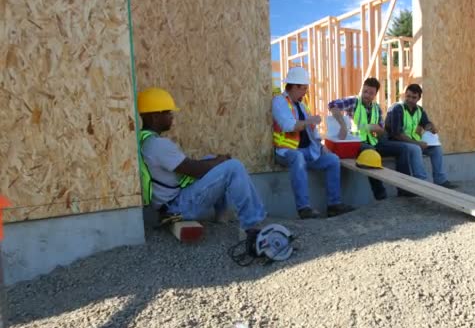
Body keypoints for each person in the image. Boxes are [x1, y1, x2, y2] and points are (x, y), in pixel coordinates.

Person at [137, 87, 268, 249]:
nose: (172, 116)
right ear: (155, 116)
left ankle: (221, 216)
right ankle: (252, 226)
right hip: (178, 206)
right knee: (234, 167)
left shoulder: (145, 140)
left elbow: (191, 167)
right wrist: (220, 161)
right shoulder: (158, 145)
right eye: (168, 113)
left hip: (168, 204)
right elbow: (195, 170)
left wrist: (215, 161)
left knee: (210, 161)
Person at [272, 67, 355, 219]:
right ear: (294, 86)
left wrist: (322, 147)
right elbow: (288, 125)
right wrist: (309, 120)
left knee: (332, 160)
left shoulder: (302, 106)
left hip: (306, 151)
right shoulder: (279, 101)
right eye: (303, 88)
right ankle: (304, 208)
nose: (305, 92)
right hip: (286, 152)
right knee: (298, 158)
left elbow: (312, 133)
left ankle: (334, 205)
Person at [328, 77, 414, 199]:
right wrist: (342, 125)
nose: (367, 95)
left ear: (375, 94)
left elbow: (381, 132)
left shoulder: (376, 108)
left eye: (371, 93)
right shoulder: (354, 102)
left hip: (374, 142)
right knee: (371, 153)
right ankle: (380, 194)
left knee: (403, 149)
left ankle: (404, 188)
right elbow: (332, 105)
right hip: (357, 143)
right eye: (365, 91)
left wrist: (376, 129)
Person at [384, 84, 457, 189]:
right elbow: (397, 134)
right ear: (405, 95)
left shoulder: (419, 110)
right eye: (408, 96)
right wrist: (418, 143)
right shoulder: (397, 109)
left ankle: (440, 180)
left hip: (410, 142)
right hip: (395, 142)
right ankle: (421, 182)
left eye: (414, 97)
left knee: (436, 149)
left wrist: (431, 127)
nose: (410, 99)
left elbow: (425, 123)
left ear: (419, 98)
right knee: (416, 148)